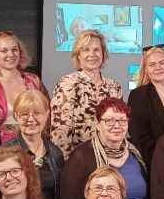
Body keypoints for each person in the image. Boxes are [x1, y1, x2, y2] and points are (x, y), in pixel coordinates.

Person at [59, 97, 148, 199]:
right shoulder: (80, 158)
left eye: (122, 120)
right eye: (110, 120)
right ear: (98, 123)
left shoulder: (136, 153)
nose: (117, 126)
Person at [50, 29, 123, 157]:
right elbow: (60, 133)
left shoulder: (114, 87)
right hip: (78, 160)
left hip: (109, 159)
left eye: (96, 50)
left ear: (103, 53)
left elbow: (120, 126)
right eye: (86, 50)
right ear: (78, 55)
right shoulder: (67, 84)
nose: (92, 54)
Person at [0, 31, 48, 144]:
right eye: (4, 51)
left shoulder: (34, 81)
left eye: (14, 49)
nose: (11, 54)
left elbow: (47, 115)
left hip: (34, 145)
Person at [0, 89, 64, 199]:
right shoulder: (5, 152)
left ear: (46, 115)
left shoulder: (56, 153)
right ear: (15, 117)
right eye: (24, 114)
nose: (30, 119)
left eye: (37, 113)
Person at [127, 45, 164, 166]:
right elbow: (140, 138)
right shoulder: (139, 95)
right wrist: (162, 162)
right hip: (157, 163)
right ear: (146, 70)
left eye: (162, 63)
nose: (158, 67)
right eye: (152, 64)